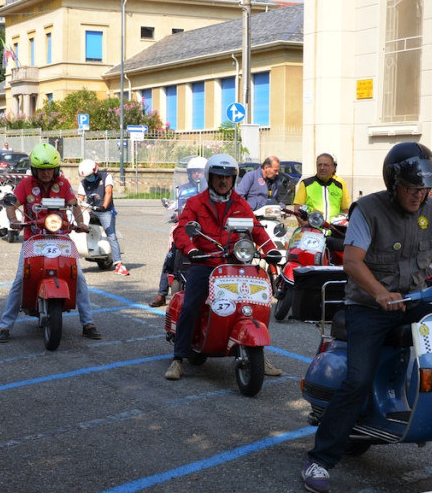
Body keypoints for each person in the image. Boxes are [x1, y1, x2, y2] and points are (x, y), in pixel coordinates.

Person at [300, 142, 432, 493]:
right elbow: (352, 261)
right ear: (394, 183)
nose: (418, 195)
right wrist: (379, 292)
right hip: (368, 307)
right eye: (411, 188)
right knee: (359, 379)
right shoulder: (368, 210)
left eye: (423, 188)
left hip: (414, 299)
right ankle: (320, 458)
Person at [164, 153, 283, 381]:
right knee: (190, 305)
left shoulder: (240, 204)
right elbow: (181, 230)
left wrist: (271, 250)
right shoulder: (196, 203)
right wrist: (191, 251)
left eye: (228, 177)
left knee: (257, 304)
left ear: (234, 179)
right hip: (205, 263)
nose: (223, 181)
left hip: (234, 263)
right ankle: (178, 358)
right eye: (218, 176)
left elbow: (256, 229)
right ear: (210, 177)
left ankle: (257, 350)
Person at [0, 143, 102, 342]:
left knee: (79, 276)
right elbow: (12, 205)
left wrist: (80, 223)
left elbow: (74, 205)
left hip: (60, 237)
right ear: (35, 169)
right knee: (20, 279)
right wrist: (14, 220)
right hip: (33, 238)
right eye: (42, 170)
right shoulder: (26, 184)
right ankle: (5, 326)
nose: (46, 174)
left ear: (56, 169)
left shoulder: (62, 183)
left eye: (49, 170)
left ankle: (88, 323)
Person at [149, 156, 207, 308]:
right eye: (194, 172)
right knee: (170, 256)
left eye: (199, 172)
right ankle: (161, 294)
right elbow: (176, 205)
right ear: (189, 173)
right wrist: (173, 213)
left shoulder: (210, 191)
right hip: (184, 227)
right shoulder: (183, 189)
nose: (197, 175)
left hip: (204, 230)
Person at [77, 159, 128, 276]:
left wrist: (104, 206)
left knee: (111, 235)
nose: (88, 178)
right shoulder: (83, 183)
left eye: (90, 176)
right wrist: (81, 208)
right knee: (77, 227)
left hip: (105, 211)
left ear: (95, 171)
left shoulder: (106, 177)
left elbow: (108, 192)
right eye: (87, 176)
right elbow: (80, 199)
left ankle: (119, 264)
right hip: (91, 210)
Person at [293, 153, 350, 224]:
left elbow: (345, 210)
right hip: (312, 232)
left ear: (333, 167)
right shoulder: (306, 184)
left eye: (326, 165)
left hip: (333, 232)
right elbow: (297, 209)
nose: (322, 168)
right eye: (319, 165)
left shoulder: (339, 186)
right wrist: (306, 225)